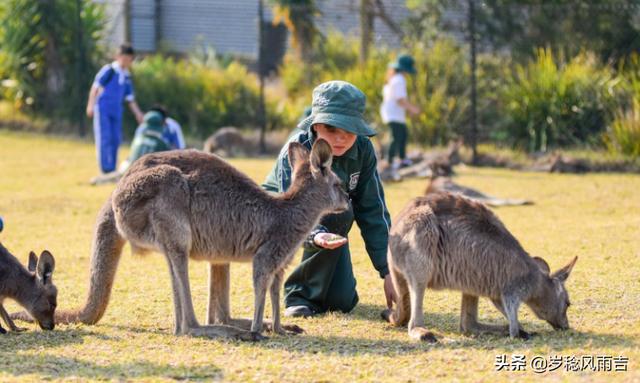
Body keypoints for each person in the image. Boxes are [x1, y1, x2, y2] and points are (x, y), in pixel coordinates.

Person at [263, 80, 396, 318]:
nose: (341, 139)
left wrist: (390, 271)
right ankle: (298, 294)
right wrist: (315, 235)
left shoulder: (364, 150)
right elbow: (289, 211)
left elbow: (373, 210)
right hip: (277, 218)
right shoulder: (297, 149)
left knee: (342, 302)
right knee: (336, 212)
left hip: (331, 221)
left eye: (349, 131)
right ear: (315, 127)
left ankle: (320, 291)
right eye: (332, 129)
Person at [86, 43, 144, 174]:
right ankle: (105, 169)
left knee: (116, 138)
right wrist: (90, 105)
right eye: (124, 58)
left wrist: (138, 114)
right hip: (103, 108)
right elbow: (95, 88)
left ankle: (112, 167)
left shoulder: (127, 76)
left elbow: (130, 99)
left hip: (117, 110)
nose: (127, 61)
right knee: (104, 137)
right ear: (118, 57)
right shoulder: (109, 70)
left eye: (129, 59)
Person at [380, 54, 420, 169]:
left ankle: (402, 159)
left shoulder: (395, 79)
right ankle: (389, 160)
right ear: (404, 69)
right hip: (393, 114)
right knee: (396, 137)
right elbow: (400, 100)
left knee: (402, 135)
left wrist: (408, 109)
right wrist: (413, 109)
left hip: (394, 114)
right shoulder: (399, 80)